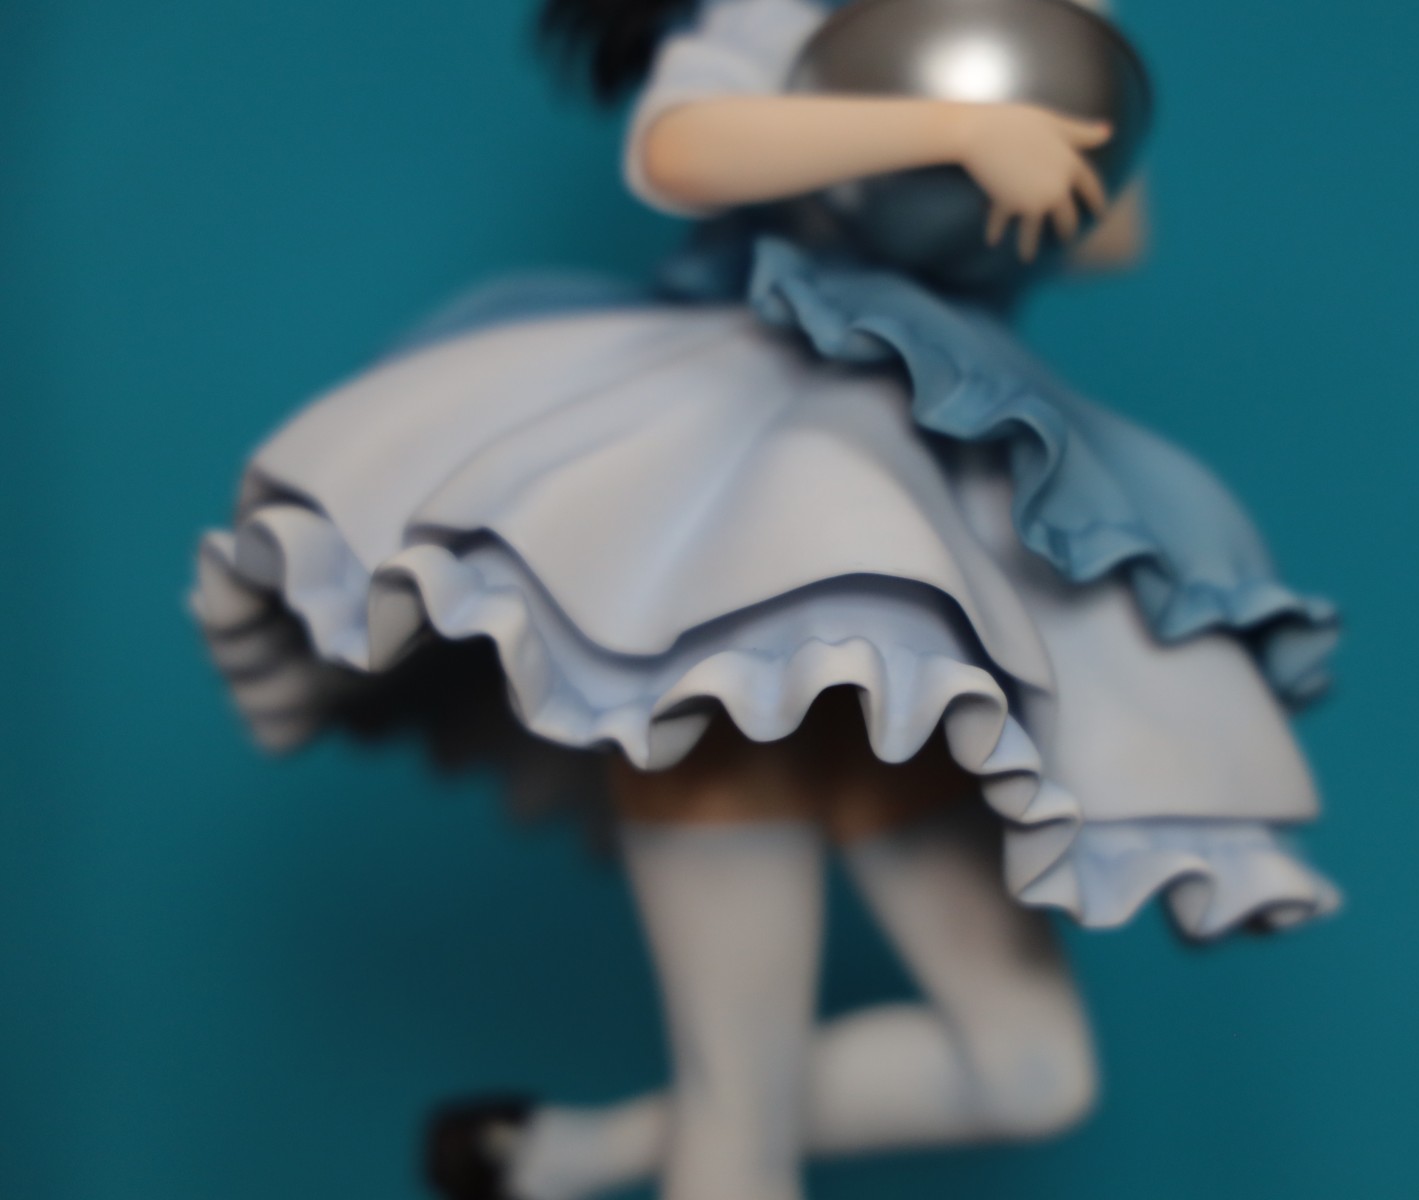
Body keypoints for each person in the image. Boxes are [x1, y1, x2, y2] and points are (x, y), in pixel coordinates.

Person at [190, 0, 1342, 1196]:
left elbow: (1109, 235)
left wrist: (1058, 77)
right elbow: (677, 151)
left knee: (1032, 1074)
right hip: (746, 531)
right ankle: (643, 1150)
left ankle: (567, 1154)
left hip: (914, 568)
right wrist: (953, 128)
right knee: (743, 1137)